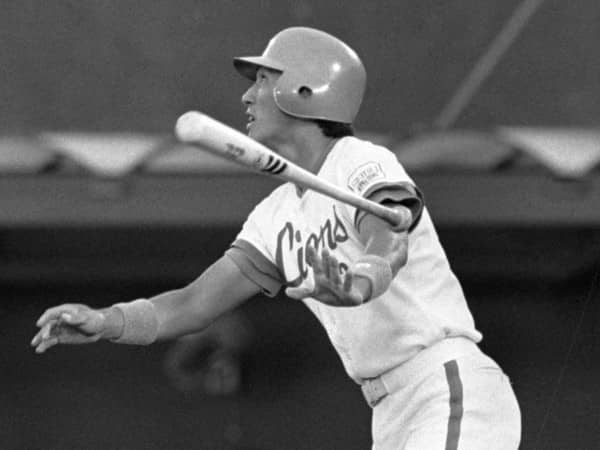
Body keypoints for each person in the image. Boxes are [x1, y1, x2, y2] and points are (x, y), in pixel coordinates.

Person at [31, 27, 521, 449]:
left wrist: (360, 282)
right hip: (389, 411)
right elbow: (192, 305)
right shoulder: (275, 215)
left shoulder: (361, 161)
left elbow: (390, 238)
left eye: (263, 81)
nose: (247, 97)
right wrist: (106, 320)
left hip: (444, 384)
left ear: (304, 90)